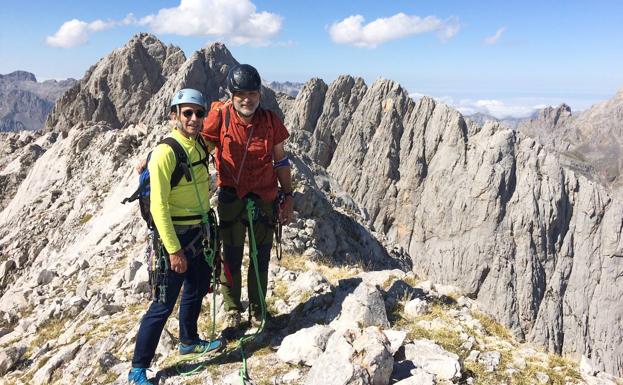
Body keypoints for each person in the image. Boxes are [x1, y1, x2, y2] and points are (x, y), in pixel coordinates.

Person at [128, 89, 223, 385]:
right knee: (162, 304)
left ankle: (188, 341)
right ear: (175, 116)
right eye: (187, 113)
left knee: (196, 288)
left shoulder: (198, 146)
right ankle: (138, 369)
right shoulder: (165, 152)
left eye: (198, 113)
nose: (194, 118)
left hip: (200, 232)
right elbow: (158, 206)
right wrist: (173, 250)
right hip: (176, 237)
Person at [202, 64, 294, 331]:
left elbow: (281, 159)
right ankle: (232, 309)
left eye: (252, 93)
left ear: (259, 94)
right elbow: (199, 146)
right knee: (230, 256)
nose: (247, 99)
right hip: (231, 197)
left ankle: (258, 310)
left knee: (259, 257)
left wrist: (288, 195)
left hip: (264, 199)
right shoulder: (220, 116)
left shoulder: (270, 121)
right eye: (240, 93)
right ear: (231, 94)